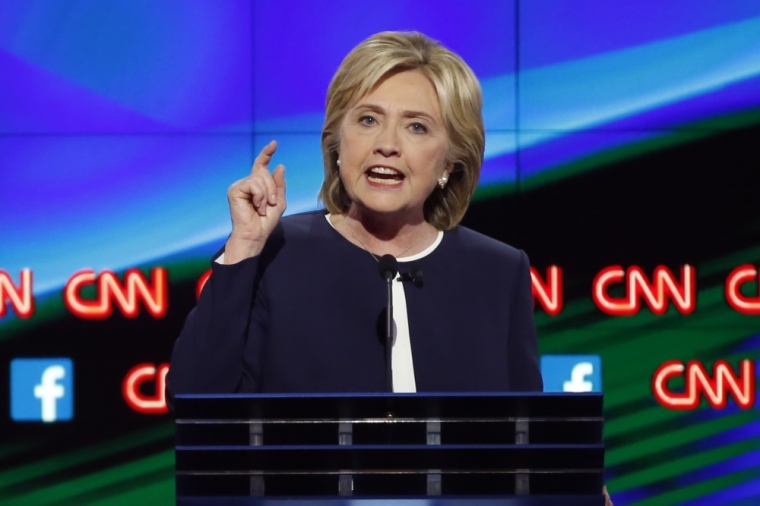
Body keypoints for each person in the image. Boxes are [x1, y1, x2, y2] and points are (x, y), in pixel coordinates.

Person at [167, 31, 542, 399]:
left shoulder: (498, 272)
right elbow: (193, 399)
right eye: (368, 120)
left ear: (450, 160)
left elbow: (527, 439)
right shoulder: (275, 254)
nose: (387, 145)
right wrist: (244, 246)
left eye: (416, 127)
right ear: (337, 143)